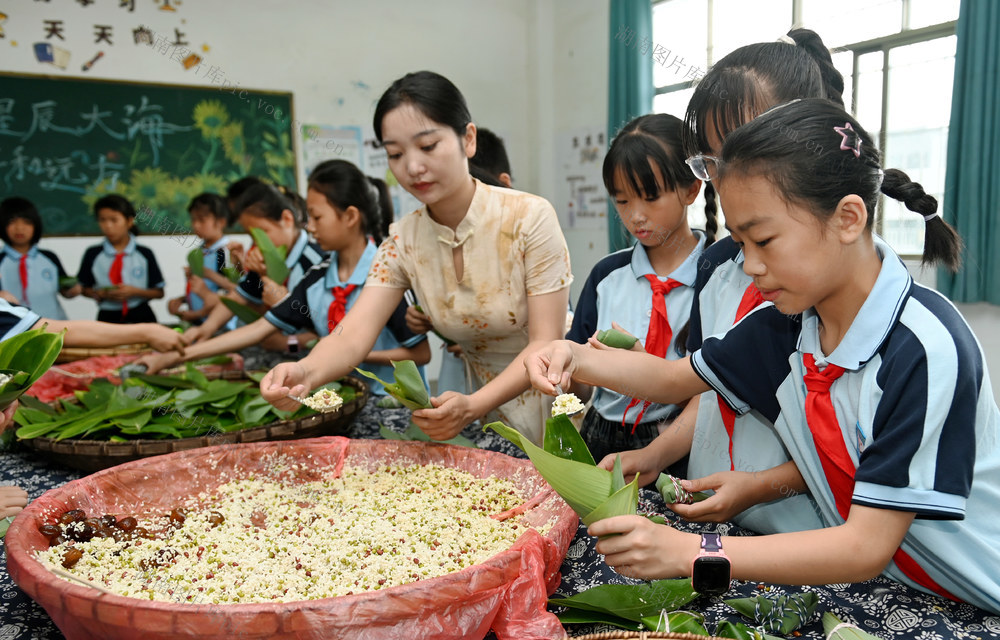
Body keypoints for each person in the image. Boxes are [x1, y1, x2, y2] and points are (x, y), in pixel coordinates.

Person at [526, 98, 1000, 613]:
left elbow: (864, 546)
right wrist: (572, 356)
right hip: (892, 585)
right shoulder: (790, 323)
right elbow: (671, 378)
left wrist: (694, 551)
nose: (749, 265)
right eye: (739, 241)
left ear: (847, 218)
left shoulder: (925, 348)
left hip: (971, 598)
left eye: (764, 240)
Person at [602, 29, 845, 535]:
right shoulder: (716, 269)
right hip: (714, 512)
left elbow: (850, 455)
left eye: (745, 149)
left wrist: (759, 487)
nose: (729, 176)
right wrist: (656, 454)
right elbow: (712, 389)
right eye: (714, 160)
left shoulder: (836, 292)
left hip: (801, 539)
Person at [261, 70, 572, 445]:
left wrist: (473, 405)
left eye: (427, 146)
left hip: (554, 397)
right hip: (476, 408)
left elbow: (545, 343)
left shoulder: (529, 217)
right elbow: (352, 335)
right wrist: (306, 372)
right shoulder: (402, 240)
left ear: (467, 140)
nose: (412, 167)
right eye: (395, 153)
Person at [135, 160, 430, 395]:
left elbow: (420, 352)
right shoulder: (319, 277)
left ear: (350, 217)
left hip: (390, 401)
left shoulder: (386, 276)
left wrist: (347, 354)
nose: (310, 227)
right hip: (340, 395)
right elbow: (257, 329)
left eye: (317, 217)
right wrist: (177, 356)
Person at [566, 113, 706, 465]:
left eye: (650, 197)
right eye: (623, 201)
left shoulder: (718, 278)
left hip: (677, 438)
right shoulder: (606, 276)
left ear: (691, 189)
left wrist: (649, 371)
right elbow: (581, 391)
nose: (636, 216)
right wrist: (570, 370)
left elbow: (714, 393)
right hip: (600, 433)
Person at [180, 183, 325, 354]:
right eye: (251, 236)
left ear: (286, 220)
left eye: (262, 232)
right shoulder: (266, 258)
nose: (256, 243)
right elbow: (238, 296)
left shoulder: (316, 263)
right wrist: (206, 328)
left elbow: (326, 332)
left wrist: (287, 343)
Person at [77, 194, 165, 323]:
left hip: (141, 314)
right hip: (107, 316)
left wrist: (135, 292)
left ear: (129, 221)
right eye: (102, 220)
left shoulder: (144, 253)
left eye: (114, 220)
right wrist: (100, 294)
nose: (108, 226)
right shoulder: (93, 254)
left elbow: (159, 292)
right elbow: (84, 288)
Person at [0, 197, 81, 320]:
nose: (19, 228)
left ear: (36, 224)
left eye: (26, 222)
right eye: (12, 221)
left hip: (54, 325)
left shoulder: (49, 257)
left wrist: (72, 291)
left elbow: (64, 290)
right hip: (14, 329)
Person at [166, 193, 236, 325]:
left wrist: (210, 275)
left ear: (221, 222)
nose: (196, 225)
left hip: (221, 324)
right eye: (193, 220)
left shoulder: (228, 252)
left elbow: (235, 292)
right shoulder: (198, 252)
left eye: (202, 220)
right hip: (199, 321)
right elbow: (200, 289)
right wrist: (182, 300)